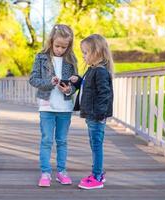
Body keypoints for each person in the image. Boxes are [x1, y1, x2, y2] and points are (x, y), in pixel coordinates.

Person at [29, 24, 78, 187]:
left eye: (64, 47)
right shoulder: (41, 57)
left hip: (65, 107)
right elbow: (33, 79)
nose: (60, 50)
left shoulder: (71, 59)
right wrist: (49, 82)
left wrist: (69, 89)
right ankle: (45, 173)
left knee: (62, 141)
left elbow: (76, 83)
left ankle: (62, 172)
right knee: (46, 140)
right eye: (57, 46)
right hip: (46, 106)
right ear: (51, 42)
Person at [69, 34, 114, 190]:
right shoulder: (92, 70)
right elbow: (89, 87)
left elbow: (104, 93)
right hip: (92, 115)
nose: (83, 55)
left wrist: (100, 114)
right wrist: (79, 81)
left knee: (96, 145)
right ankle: (97, 172)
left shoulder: (100, 71)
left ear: (97, 52)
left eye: (86, 52)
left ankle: (97, 177)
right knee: (94, 144)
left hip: (96, 116)